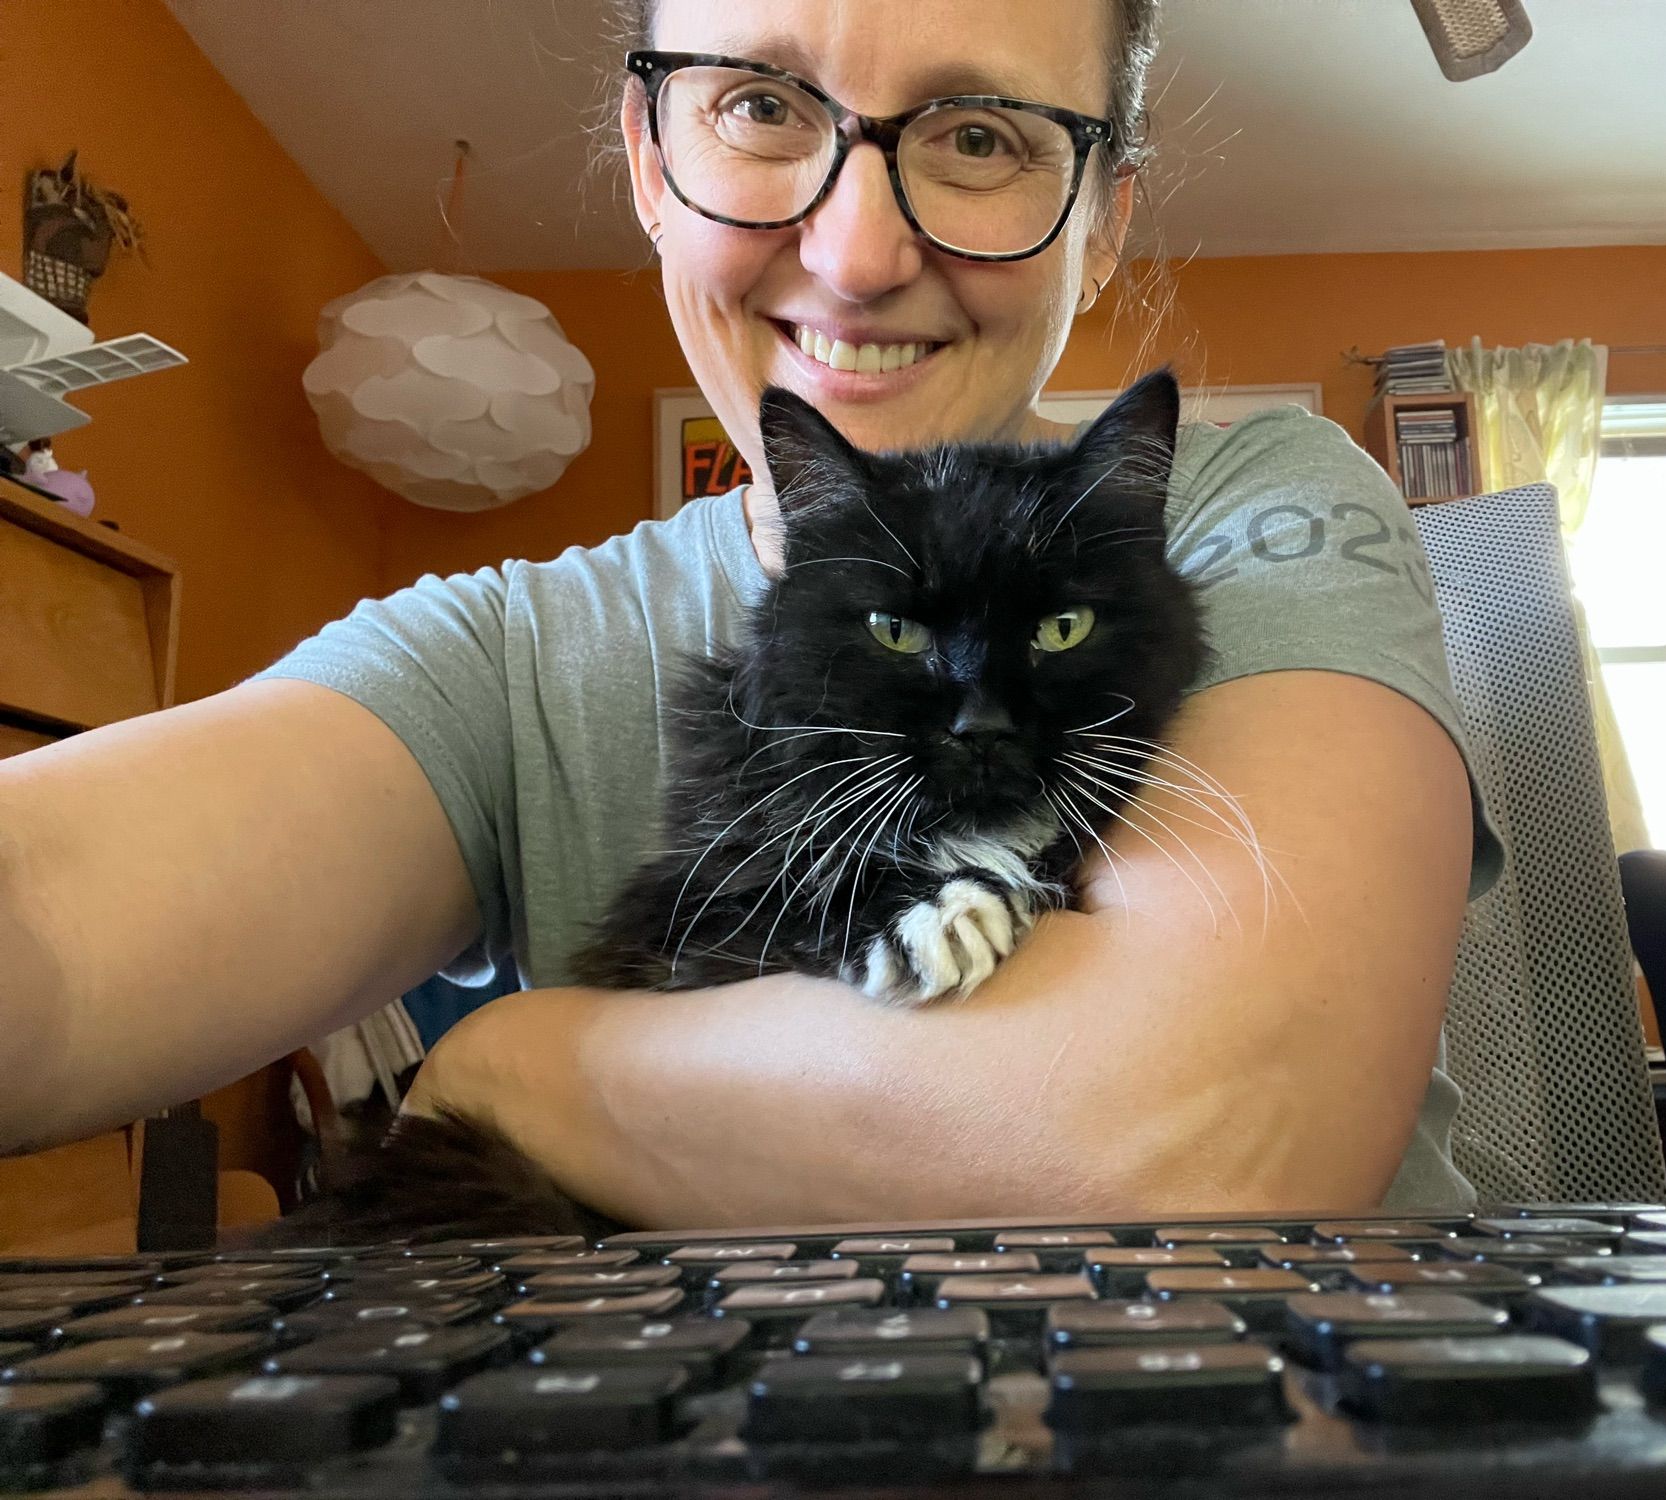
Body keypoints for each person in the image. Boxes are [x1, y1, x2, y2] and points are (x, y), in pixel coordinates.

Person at [0, 0, 1499, 1227]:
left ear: (1102, 220)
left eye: (979, 136)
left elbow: (1209, 1144)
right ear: (653, 164)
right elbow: (54, 914)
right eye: (765, 108)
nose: (856, 258)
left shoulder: (1245, 512)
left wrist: (521, 1061)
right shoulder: (506, 653)